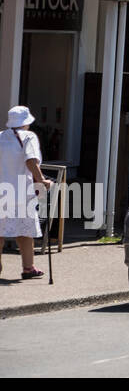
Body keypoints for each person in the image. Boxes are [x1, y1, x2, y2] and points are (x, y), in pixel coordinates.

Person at [0, 106, 52, 280]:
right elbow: (30, 160)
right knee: (24, 231)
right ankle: (28, 268)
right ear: (26, 123)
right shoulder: (29, 137)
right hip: (21, 191)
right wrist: (42, 179)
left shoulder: (0, 137)